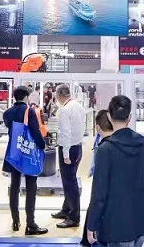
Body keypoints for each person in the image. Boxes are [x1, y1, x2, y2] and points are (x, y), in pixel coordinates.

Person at [87, 95, 144, 247]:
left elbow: (99, 192)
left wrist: (92, 224)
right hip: (141, 219)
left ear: (109, 117)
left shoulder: (105, 150)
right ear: (129, 118)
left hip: (116, 224)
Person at [3, 86, 48, 236]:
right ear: (26, 97)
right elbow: (35, 131)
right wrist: (43, 145)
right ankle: (30, 224)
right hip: (28, 153)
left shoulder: (7, 113)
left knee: (14, 186)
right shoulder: (29, 111)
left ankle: (15, 220)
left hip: (14, 152)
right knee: (31, 188)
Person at [52, 84, 86, 228]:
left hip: (68, 149)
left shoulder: (64, 110)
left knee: (69, 183)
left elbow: (65, 132)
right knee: (69, 180)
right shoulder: (78, 106)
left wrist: (65, 154)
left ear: (59, 95)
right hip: (77, 147)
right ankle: (66, 209)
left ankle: (74, 217)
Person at [81, 109, 114, 247]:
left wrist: (91, 227)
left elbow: (98, 193)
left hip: (104, 200)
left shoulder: (104, 148)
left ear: (98, 127)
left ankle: (88, 239)